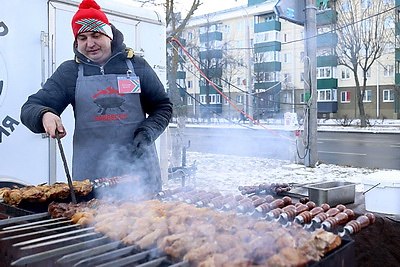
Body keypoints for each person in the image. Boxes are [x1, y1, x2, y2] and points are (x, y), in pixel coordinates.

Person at [20, 0, 173, 195]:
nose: (90, 44)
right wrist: (44, 115)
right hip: (91, 177)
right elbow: (31, 106)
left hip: (139, 171)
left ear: (108, 35)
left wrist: (148, 132)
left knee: (147, 223)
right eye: (82, 38)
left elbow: (163, 107)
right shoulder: (70, 72)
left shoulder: (137, 65)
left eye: (95, 35)